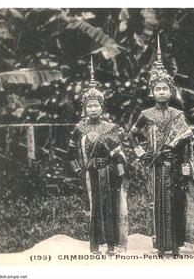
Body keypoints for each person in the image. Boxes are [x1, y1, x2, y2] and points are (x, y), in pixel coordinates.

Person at [129, 34, 194, 256]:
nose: (162, 92)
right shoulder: (145, 114)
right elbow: (133, 134)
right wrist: (142, 154)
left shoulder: (177, 113)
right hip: (156, 165)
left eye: (165, 88)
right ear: (152, 91)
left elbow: (187, 137)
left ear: (171, 90)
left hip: (176, 164)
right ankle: (160, 246)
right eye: (158, 89)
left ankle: (176, 246)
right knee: (158, 203)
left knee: (177, 203)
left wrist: (186, 162)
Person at [67, 57, 129, 256]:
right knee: (95, 209)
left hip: (109, 174)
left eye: (96, 105)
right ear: (85, 108)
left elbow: (119, 153)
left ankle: (111, 245)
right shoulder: (79, 128)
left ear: (102, 107)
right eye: (89, 106)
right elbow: (70, 153)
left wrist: (120, 174)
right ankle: (96, 245)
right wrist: (79, 170)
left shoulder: (111, 128)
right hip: (91, 174)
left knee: (110, 208)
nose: (93, 109)